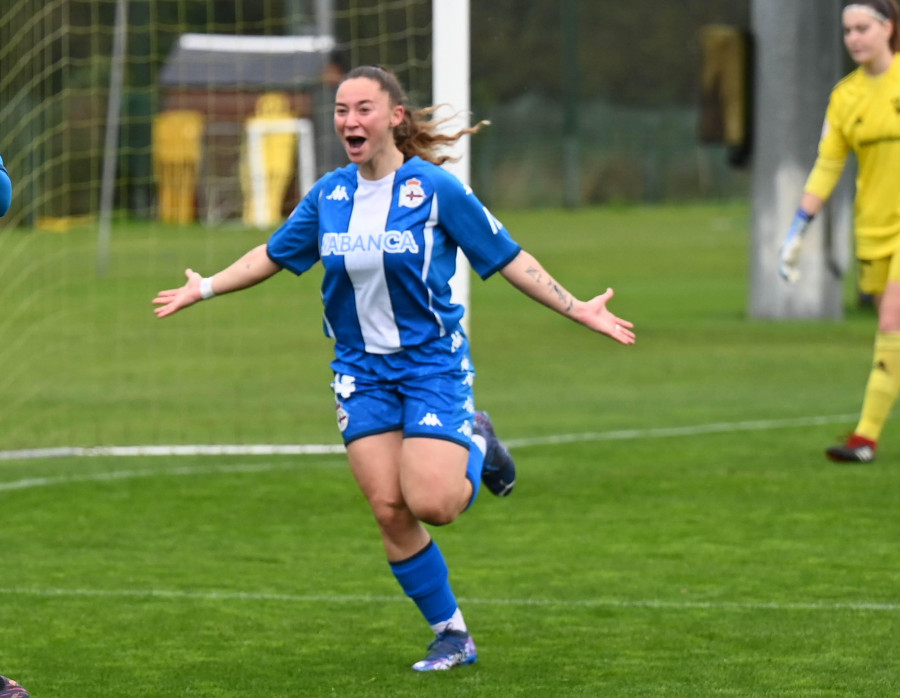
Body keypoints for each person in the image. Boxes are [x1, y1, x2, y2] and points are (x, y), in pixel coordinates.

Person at [153, 65, 635, 670]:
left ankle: (478, 439)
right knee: (388, 507)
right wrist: (206, 288)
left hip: (430, 364)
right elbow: (272, 255)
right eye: (340, 110)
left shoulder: (435, 190)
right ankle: (453, 635)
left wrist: (577, 308)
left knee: (435, 503)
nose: (349, 121)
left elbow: (507, 256)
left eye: (363, 109)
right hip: (360, 371)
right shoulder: (329, 195)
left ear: (394, 118)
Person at [778, 0, 900, 464]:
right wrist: (797, 229)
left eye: (863, 28)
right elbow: (828, 166)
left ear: (888, 29)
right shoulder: (845, 97)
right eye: (848, 30)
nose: (854, 38)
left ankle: (865, 439)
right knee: (892, 329)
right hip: (874, 228)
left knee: (893, 322)